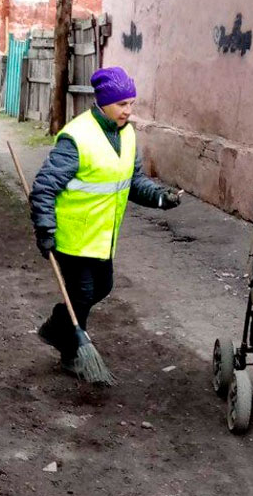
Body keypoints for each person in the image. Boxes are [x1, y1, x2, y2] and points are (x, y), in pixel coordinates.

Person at [29, 67, 181, 375]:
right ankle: (72, 353)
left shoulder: (126, 135)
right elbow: (45, 186)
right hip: (72, 235)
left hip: (101, 236)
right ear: (103, 102)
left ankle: (56, 329)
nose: (128, 110)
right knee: (83, 293)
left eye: (131, 103)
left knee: (103, 287)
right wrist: (44, 229)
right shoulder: (77, 137)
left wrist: (160, 198)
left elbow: (133, 181)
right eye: (122, 104)